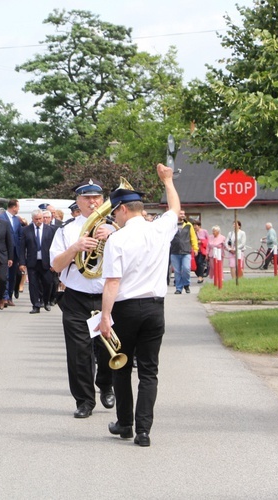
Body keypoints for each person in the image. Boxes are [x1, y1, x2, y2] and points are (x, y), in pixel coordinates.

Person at [96, 163, 180, 447]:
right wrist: (167, 181)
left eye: (114, 213)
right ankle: (144, 431)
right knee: (149, 372)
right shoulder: (159, 230)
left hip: (126, 309)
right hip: (155, 307)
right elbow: (175, 208)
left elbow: (112, 283)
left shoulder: (117, 239)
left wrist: (105, 317)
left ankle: (125, 424)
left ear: (121, 210)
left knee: (121, 368)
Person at [49, 178, 115, 419]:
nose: (92, 202)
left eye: (96, 197)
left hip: (107, 297)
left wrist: (113, 235)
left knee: (107, 348)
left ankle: (106, 385)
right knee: (79, 353)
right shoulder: (66, 230)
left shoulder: (115, 227)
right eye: (86, 198)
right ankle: (84, 400)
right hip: (77, 297)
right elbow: (55, 265)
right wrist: (75, 248)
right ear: (78, 201)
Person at [19, 209, 57, 314]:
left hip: (47, 262)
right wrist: (22, 263)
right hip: (32, 262)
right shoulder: (26, 230)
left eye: (40, 218)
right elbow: (22, 248)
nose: (39, 221)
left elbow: (55, 247)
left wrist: (54, 263)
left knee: (48, 283)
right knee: (33, 285)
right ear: (32, 219)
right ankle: (35, 305)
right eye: (36, 219)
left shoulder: (50, 230)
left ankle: (46, 301)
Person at [0, 199, 21, 305]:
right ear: (14, 207)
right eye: (18, 207)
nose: (19, 209)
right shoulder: (1, 217)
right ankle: (4, 296)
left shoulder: (17, 220)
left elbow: (19, 235)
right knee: (5, 275)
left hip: (15, 251)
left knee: (13, 275)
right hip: (5, 250)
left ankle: (10, 296)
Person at [170, 211, 198, 294]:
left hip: (186, 250)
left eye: (183, 214)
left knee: (186, 269)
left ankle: (186, 284)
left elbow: (193, 237)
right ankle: (178, 288)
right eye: (180, 214)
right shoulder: (172, 225)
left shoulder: (189, 225)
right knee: (177, 271)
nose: (182, 215)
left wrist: (195, 248)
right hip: (175, 251)